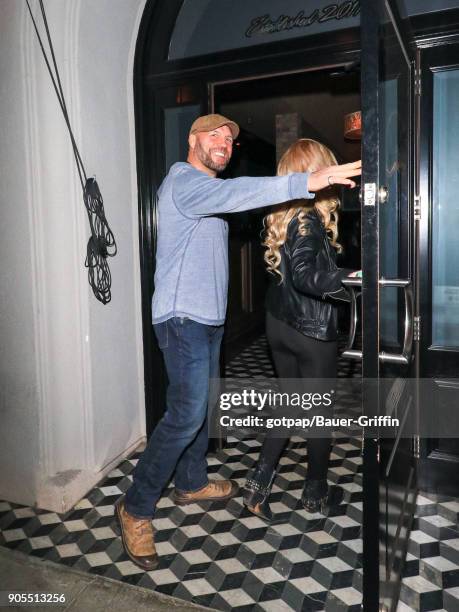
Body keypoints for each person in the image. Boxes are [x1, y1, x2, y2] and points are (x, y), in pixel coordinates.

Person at [116, 116, 361, 569]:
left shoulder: (205, 190)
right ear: (192, 140)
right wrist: (309, 179)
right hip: (181, 319)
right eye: (214, 135)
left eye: (230, 138)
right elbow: (235, 194)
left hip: (207, 321)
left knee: (201, 408)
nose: (225, 143)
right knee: (185, 413)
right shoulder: (184, 181)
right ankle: (136, 507)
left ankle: (190, 482)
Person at [243, 138, 361, 523]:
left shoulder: (285, 218)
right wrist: (353, 278)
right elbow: (308, 276)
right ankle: (316, 492)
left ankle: (258, 485)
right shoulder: (309, 220)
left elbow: (290, 275)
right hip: (310, 331)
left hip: (279, 326)